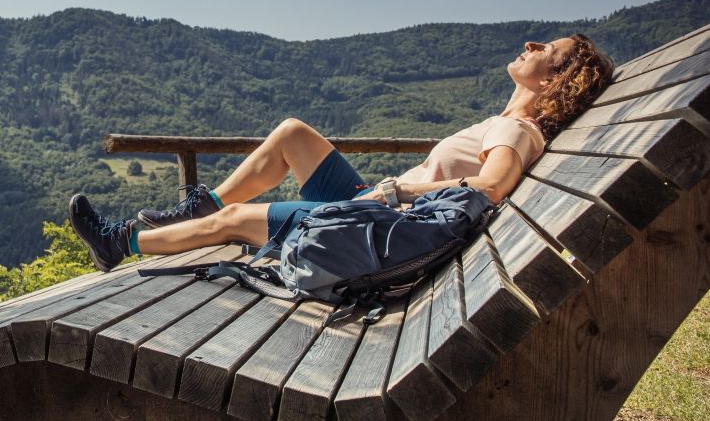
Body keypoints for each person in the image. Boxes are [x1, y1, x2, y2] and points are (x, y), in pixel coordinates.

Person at [69, 35, 614, 273]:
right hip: (376, 207)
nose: (532, 46)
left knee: (237, 223)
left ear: (557, 79)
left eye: (548, 51)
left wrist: (401, 191)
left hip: (377, 223)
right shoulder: (509, 121)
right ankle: (199, 206)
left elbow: (491, 188)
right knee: (292, 134)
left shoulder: (518, 132)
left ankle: (121, 242)